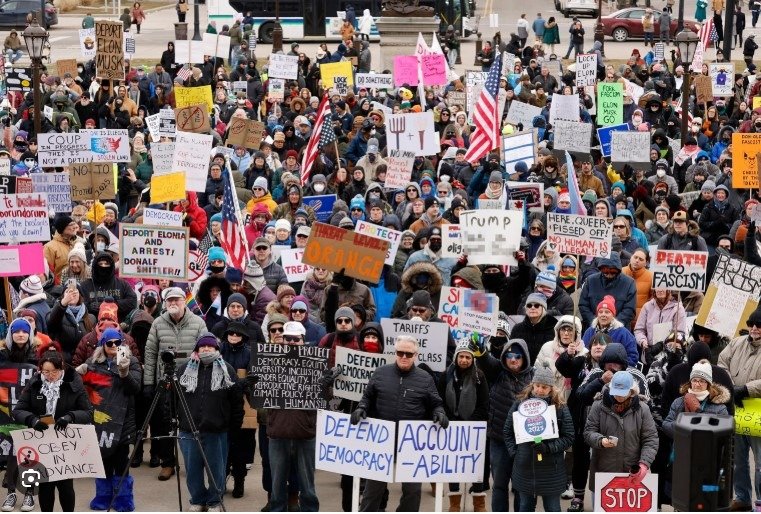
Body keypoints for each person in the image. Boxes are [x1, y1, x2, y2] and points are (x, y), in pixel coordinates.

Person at [353, 335, 447, 512]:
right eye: (400, 352)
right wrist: (362, 408)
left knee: (412, 492)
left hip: (411, 443)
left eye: (408, 354)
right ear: (395, 352)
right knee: (373, 490)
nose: (404, 356)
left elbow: (436, 403)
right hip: (381, 440)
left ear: (416, 355)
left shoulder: (425, 378)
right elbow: (367, 397)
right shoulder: (380, 373)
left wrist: (439, 413)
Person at [251, 321, 319, 512]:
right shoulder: (269, 362)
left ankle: (309, 510)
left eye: (296, 339)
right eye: (288, 338)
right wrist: (252, 386)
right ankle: (277, 509)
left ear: (303, 340)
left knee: (307, 484)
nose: (291, 342)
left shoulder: (314, 363)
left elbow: (325, 399)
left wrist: (326, 385)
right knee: (277, 483)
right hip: (278, 431)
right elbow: (257, 401)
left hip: (305, 432)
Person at [13, 351, 93, 512]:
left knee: (65, 485)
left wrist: (70, 417)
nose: (50, 376)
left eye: (54, 371)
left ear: (61, 368)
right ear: (40, 370)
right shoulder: (34, 383)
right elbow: (18, 410)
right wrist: (32, 420)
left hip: (65, 442)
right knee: (45, 485)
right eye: (46, 372)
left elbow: (88, 412)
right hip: (42, 442)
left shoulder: (74, 383)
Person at [143, 287, 207, 481]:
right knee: (164, 424)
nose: (173, 303)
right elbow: (150, 353)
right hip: (165, 382)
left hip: (190, 382)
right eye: (169, 300)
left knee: (190, 423)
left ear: (184, 301)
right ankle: (168, 463)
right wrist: (149, 383)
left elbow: (206, 350)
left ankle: (192, 462)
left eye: (176, 300)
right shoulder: (157, 323)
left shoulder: (198, 323)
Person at [76, 328, 141, 512]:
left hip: (123, 421)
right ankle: (103, 496)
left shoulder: (131, 361)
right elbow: (80, 389)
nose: (113, 346)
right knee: (103, 462)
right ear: (102, 345)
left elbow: (135, 389)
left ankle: (123, 498)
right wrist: (76, 375)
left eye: (117, 342)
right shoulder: (93, 363)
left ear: (122, 343)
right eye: (109, 343)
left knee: (121, 462)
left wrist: (125, 373)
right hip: (100, 421)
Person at [177, 333, 243, 512]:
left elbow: (236, 401)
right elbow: (173, 397)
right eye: (202, 346)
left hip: (216, 430)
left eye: (210, 346)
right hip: (188, 429)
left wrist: (234, 426)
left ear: (216, 349)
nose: (206, 349)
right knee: (192, 470)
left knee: (216, 470)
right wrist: (176, 420)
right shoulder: (183, 370)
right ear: (197, 349)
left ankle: (215, 501)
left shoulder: (227, 369)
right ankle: (197, 499)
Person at [504, 364, 574, 512]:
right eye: (537, 386)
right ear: (532, 385)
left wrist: (548, 447)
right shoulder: (520, 404)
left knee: (552, 508)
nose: (540, 390)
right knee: (525, 506)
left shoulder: (560, 407)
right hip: (525, 467)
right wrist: (515, 453)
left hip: (551, 470)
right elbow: (508, 431)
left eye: (544, 387)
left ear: (551, 388)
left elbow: (569, 437)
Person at [583, 371, 659, 501]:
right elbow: (588, 432)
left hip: (632, 473)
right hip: (603, 473)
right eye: (616, 392)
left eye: (623, 393)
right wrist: (600, 441)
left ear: (632, 391)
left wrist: (644, 464)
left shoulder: (643, 409)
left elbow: (651, 439)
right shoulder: (598, 405)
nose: (619, 397)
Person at [718, 304, 761, 511]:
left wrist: (746, 389)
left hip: (757, 408)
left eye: (759, 325)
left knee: (760, 461)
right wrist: (729, 385)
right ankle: (742, 498)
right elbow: (721, 362)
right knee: (738, 459)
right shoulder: (736, 343)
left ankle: (760, 501)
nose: (754, 328)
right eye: (751, 324)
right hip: (737, 407)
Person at [438, 341, 489, 512]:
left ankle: (479, 504)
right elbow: (440, 400)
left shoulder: (479, 376)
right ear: (456, 357)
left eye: (468, 357)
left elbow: (484, 404)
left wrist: (470, 424)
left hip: (474, 429)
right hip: (452, 427)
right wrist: (451, 420)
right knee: (453, 464)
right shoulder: (446, 375)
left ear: (473, 359)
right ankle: (454, 504)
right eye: (462, 356)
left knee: (476, 465)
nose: (464, 360)